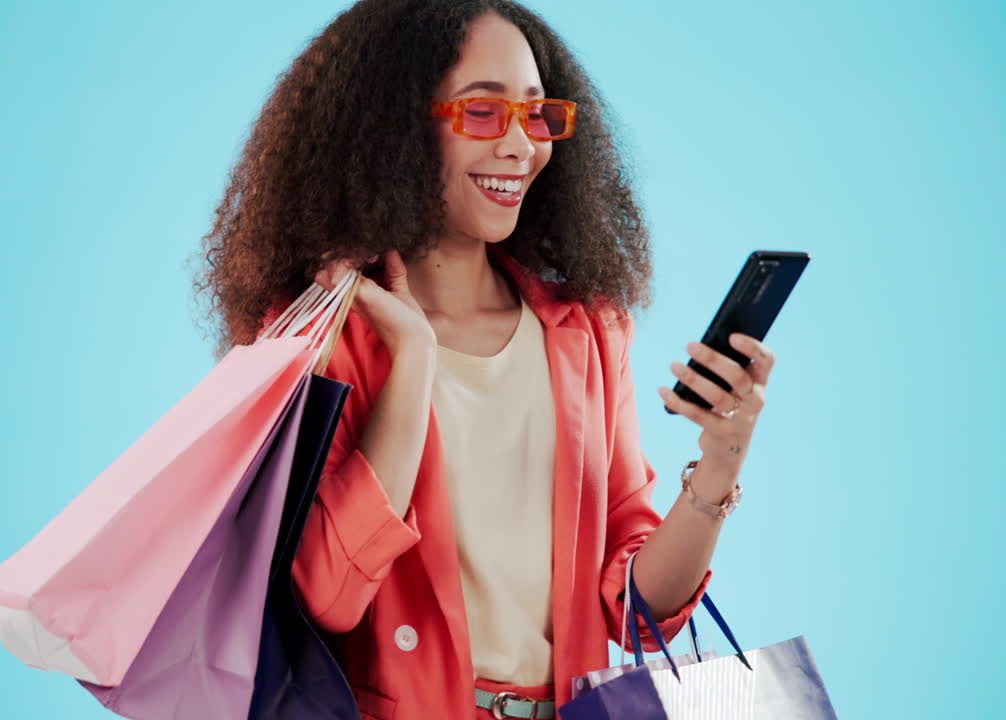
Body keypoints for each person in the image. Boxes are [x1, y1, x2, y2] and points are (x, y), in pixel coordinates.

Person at [193, 1, 777, 718]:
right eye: (481, 113)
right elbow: (329, 599)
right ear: (395, 127)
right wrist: (412, 359)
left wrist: (719, 464)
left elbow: (634, 613)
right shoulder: (319, 337)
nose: (521, 146)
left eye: (537, 116)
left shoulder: (587, 331)